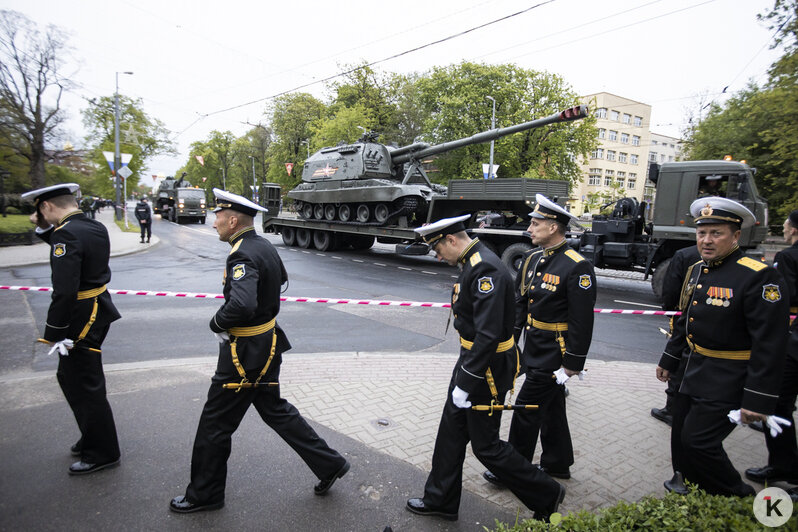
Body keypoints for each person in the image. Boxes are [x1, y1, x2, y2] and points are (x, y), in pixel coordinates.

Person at [170, 188, 349, 514]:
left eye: (218, 217)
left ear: (233, 220)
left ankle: (205, 494)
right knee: (273, 408)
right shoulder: (262, 244)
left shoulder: (241, 254)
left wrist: (216, 322)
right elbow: (280, 279)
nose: (214, 223)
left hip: (244, 354)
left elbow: (241, 303)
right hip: (267, 344)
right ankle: (329, 463)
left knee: (215, 424)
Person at [406, 214, 565, 523]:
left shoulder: (484, 268)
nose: (438, 256)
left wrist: (466, 382)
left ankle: (547, 493)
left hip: (486, 370)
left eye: (438, 249)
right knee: (451, 432)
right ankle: (440, 499)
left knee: (486, 445)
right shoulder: (473, 260)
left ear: (451, 240)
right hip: (473, 362)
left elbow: (489, 334)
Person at [656, 197, 789, 496]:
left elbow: (770, 343)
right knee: (680, 438)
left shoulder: (759, 275)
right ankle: (693, 489)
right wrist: (669, 358)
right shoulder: (697, 270)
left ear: (736, 236)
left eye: (716, 233)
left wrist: (759, 399)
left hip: (730, 377)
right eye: (702, 233)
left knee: (699, 442)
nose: (706, 240)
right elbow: (685, 318)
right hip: (692, 370)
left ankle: (737, 494)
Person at [483, 195, 596, 485]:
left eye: (536, 224)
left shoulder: (577, 265)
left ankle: (514, 471)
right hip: (533, 348)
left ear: (554, 227)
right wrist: (511, 346)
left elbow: (583, 321)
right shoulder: (533, 258)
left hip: (555, 354)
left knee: (527, 410)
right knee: (552, 408)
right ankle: (558, 463)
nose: (529, 229)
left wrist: (573, 363)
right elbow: (521, 305)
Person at [21, 183, 122, 476]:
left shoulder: (67, 233)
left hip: (80, 316)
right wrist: (45, 229)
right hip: (97, 307)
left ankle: (102, 451)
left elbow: (64, 291)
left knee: (84, 383)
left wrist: (54, 330)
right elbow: (67, 245)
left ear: (46, 206)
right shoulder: (93, 226)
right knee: (70, 376)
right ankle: (93, 436)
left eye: (39, 210)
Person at [744, 210, 798, 498]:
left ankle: (784, 466)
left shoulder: (789, 257)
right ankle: (782, 466)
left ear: (793, 229)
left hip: (794, 344)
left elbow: (785, 297)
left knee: (778, 406)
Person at [650, 244, 702, 427]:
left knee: (679, 364)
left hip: (683, 318)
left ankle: (672, 408)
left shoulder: (684, 254)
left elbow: (671, 289)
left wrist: (670, 311)